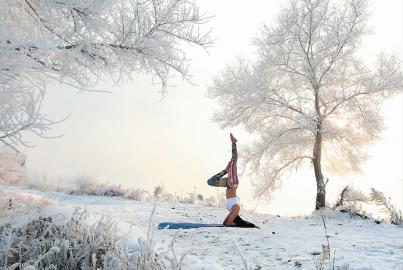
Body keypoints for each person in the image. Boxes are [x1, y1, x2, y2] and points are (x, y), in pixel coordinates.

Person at [207, 133, 240, 226]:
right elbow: (229, 223)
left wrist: (225, 171)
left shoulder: (233, 210)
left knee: (210, 182)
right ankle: (234, 143)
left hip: (230, 186)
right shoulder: (236, 208)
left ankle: (234, 144)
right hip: (232, 184)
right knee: (233, 162)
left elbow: (225, 223)